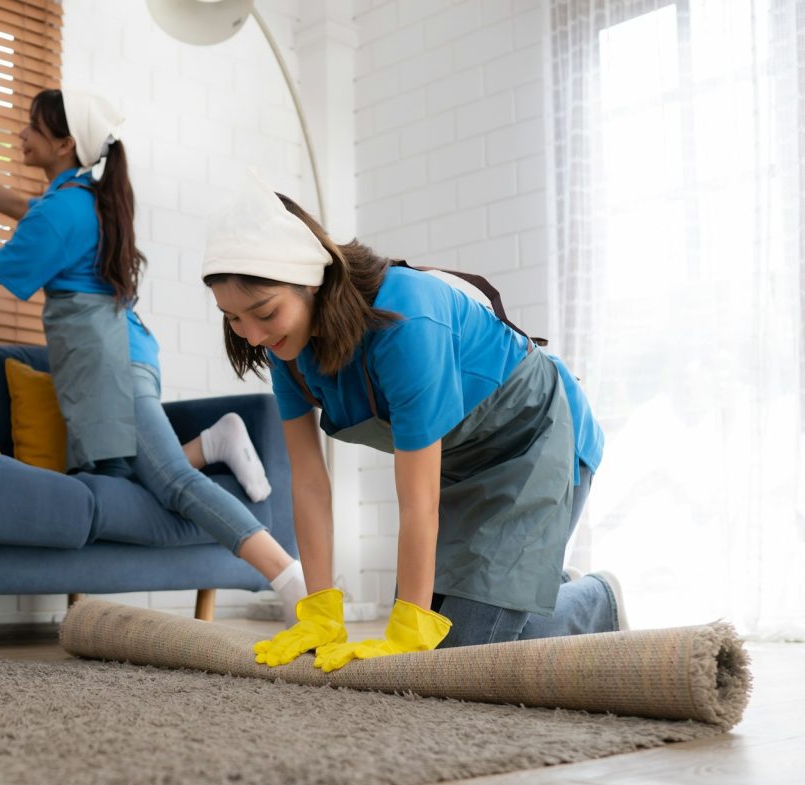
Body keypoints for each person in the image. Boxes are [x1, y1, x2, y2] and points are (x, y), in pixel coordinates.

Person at [0, 90, 307, 621]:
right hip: (112, 354)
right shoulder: (74, 199)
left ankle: (292, 581)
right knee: (119, 479)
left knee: (172, 484)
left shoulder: (61, 213)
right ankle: (212, 442)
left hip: (109, 361)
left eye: (33, 128)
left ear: (66, 142)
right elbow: (18, 207)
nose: (21, 135)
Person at [200, 170, 628, 672]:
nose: (250, 335)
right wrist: (317, 609)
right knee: (440, 632)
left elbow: (417, 499)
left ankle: (598, 599)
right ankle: (531, 590)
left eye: (263, 313)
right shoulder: (283, 347)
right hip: (460, 458)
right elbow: (310, 482)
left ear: (312, 282)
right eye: (232, 318)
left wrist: (409, 625)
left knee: (464, 651)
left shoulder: (407, 322)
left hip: (536, 440)